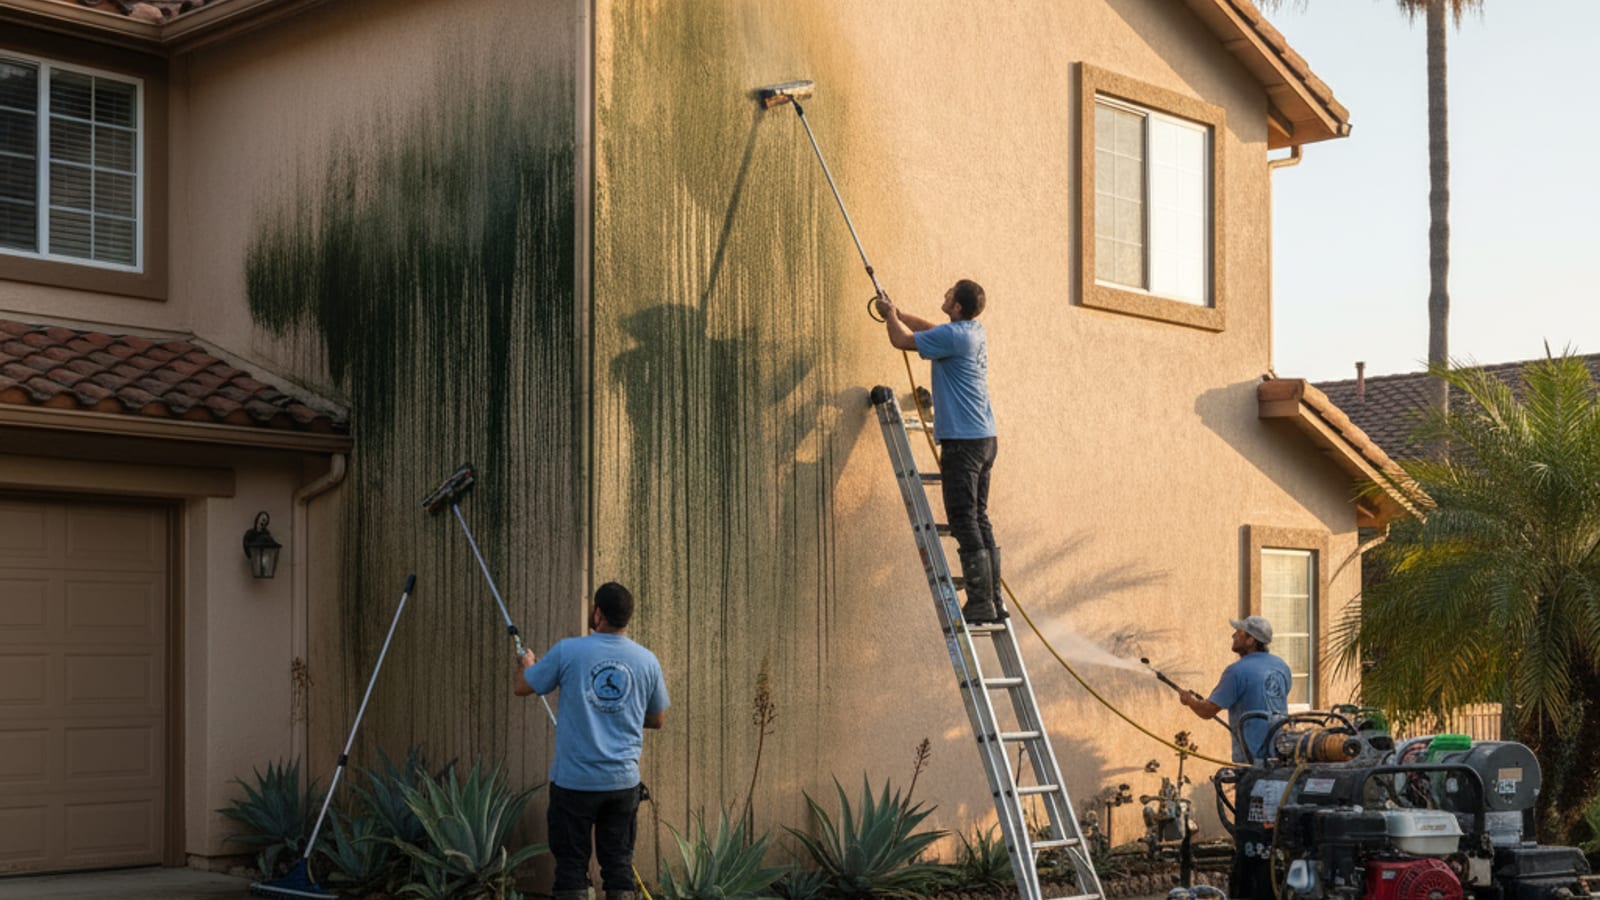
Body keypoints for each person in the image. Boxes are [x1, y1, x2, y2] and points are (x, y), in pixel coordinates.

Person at [515, 582, 669, 900]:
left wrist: (526, 664)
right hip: (622, 784)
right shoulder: (647, 660)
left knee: (571, 867)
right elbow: (657, 719)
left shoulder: (568, 651)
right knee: (619, 868)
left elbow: (523, 687)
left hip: (574, 784)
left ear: (597, 613)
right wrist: (621, 710)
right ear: (627, 617)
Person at [874, 279, 1002, 623]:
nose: (944, 295)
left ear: (957, 306)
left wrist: (889, 317)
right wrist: (899, 312)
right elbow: (930, 330)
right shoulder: (971, 332)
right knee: (979, 516)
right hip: (984, 438)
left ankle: (979, 601)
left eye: (949, 294)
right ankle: (991, 598)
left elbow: (901, 340)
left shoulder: (956, 337)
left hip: (963, 442)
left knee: (963, 519)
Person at [1179, 615, 1291, 900]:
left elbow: (1206, 711)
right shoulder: (1281, 666)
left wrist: (1188, 700)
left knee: (1250, 836)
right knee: (1275, 833)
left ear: (1250, 640)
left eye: (1238, 633)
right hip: (1282, 764)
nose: (1233, 637)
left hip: (1251, 767)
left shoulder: (1236, 671)